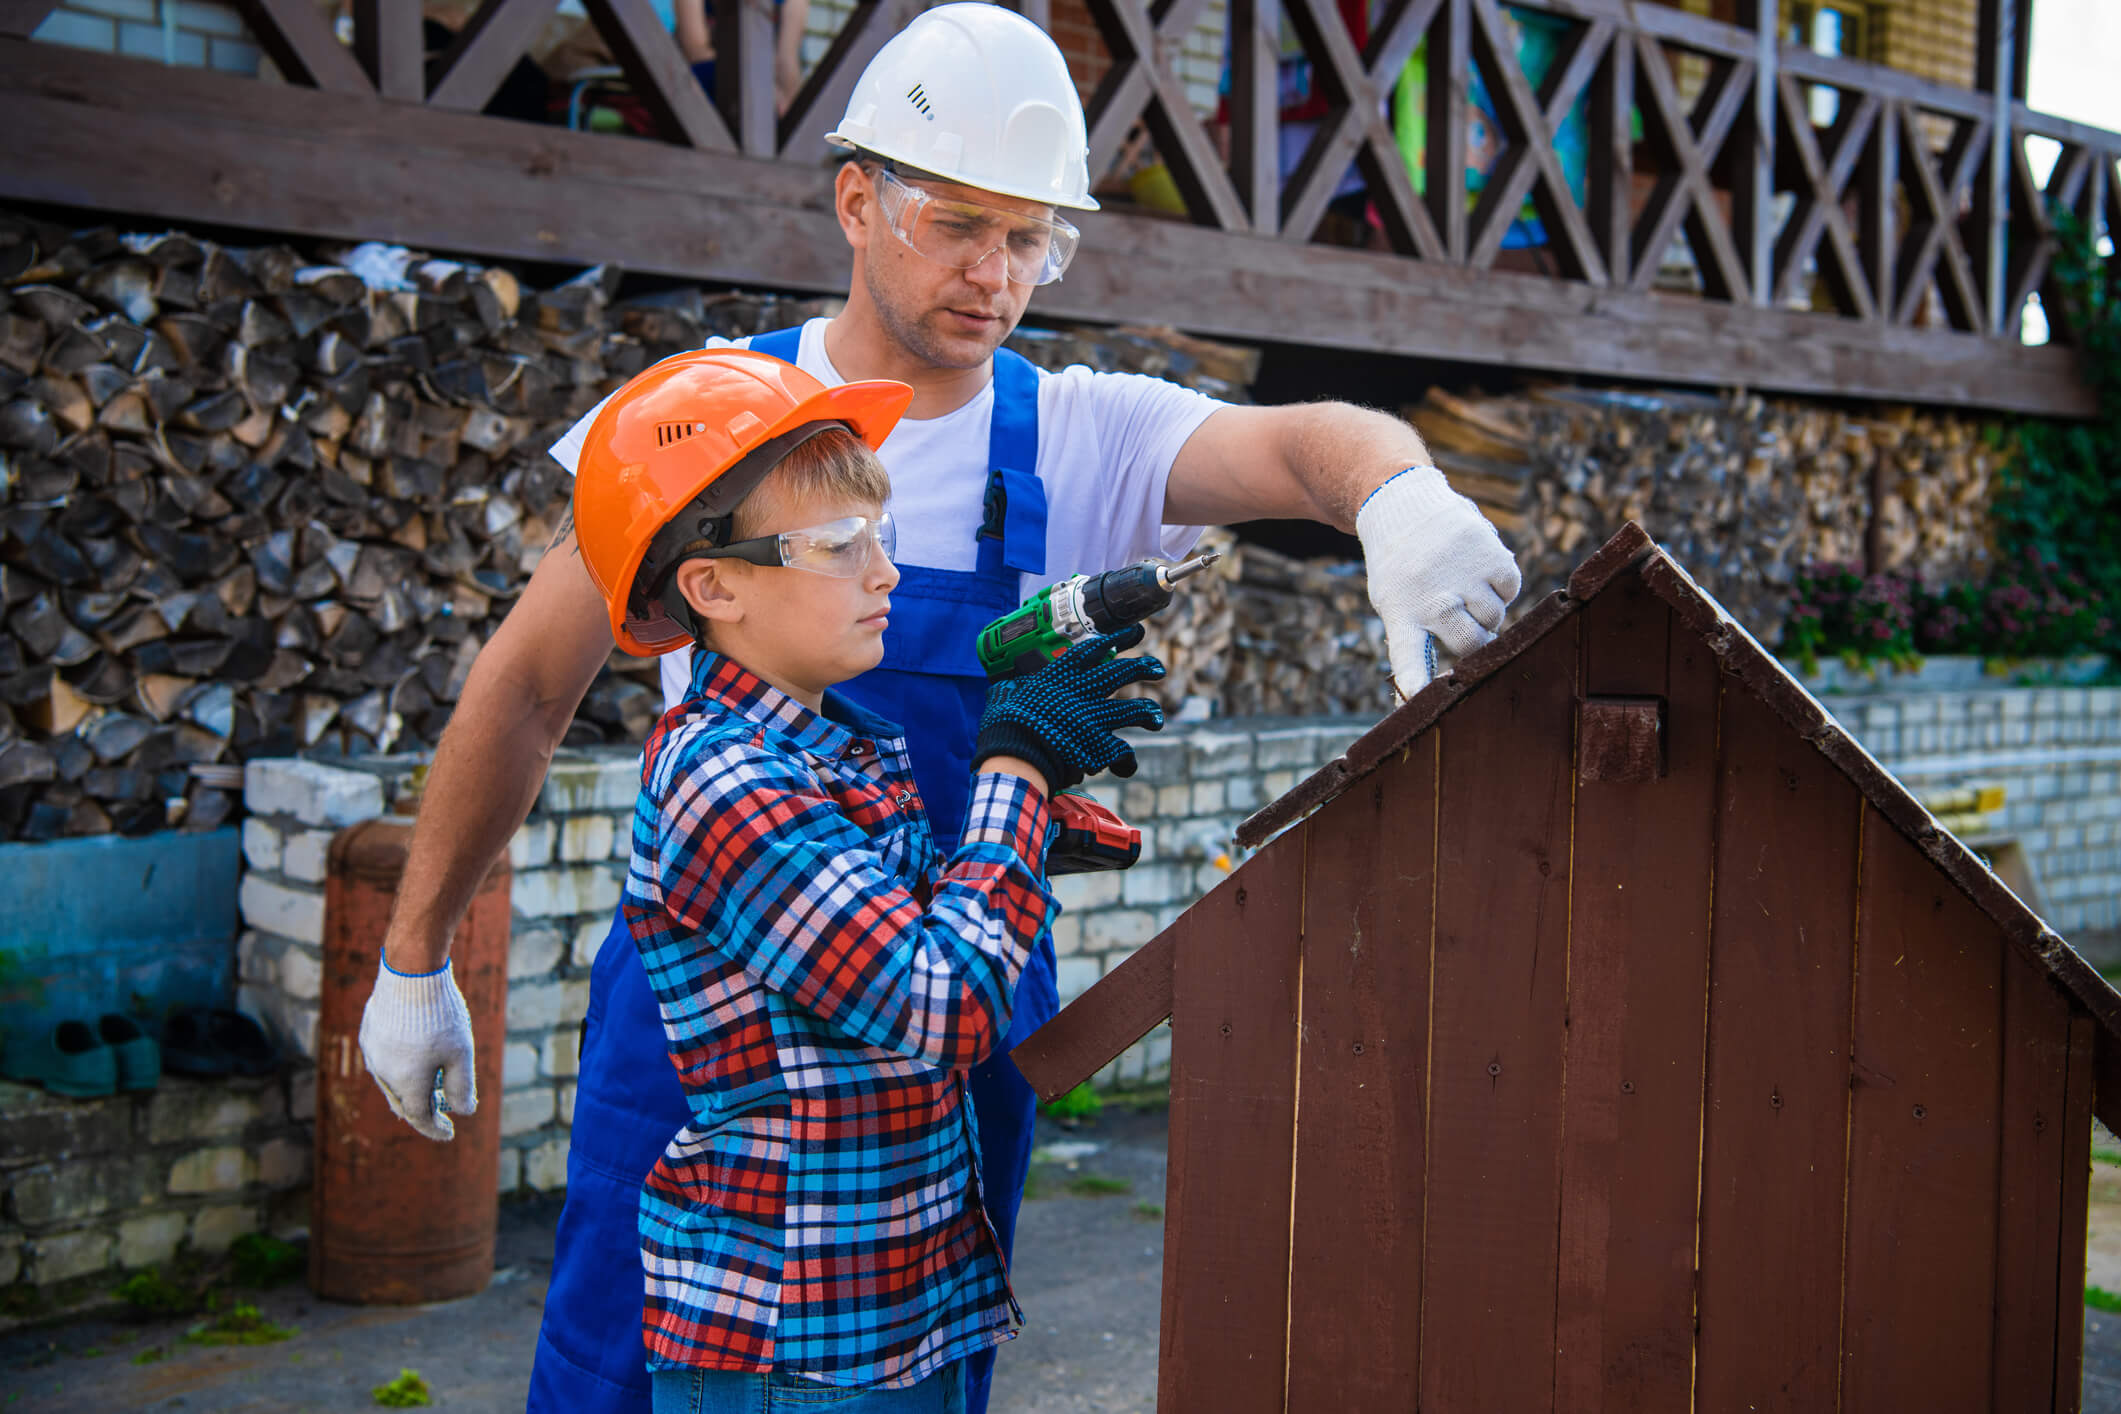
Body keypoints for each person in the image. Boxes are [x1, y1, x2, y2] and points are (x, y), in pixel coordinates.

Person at [353, 7, 1523, 1414]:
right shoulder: (710, 423)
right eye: (959, 223)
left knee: (906, 1378)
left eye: (1031, 238)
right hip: (707, 1037)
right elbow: (534, 683)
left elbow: (1304, 440)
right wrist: (414, 957)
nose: (996, 272)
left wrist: (1394, 493)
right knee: (630, 1376)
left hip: (954, 1024)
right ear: (858, 199)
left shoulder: (1083, 429)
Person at [562, 345, 1163, 1408]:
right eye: (842, 546)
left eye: (881, 538)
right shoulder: (724, 776)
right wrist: (1014, 768)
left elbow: (892, 918)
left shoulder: (839, 743)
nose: (884, 571)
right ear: (712, 585)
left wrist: (1017, 842)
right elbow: (942, 1002)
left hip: (897, 1302)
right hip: (795, 1340)